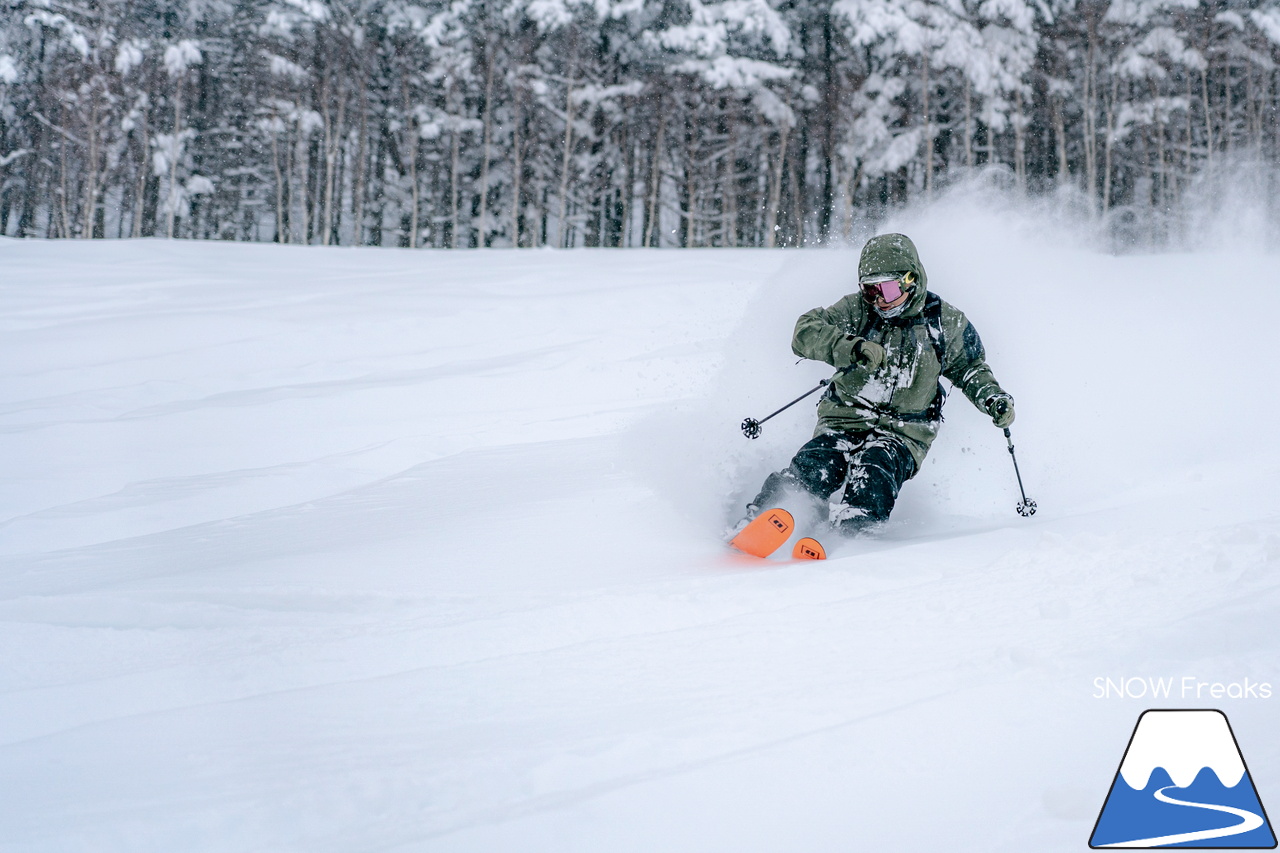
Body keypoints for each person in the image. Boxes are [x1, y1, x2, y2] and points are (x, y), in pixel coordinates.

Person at [741, 232, 1015, 537]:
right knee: (818, 462)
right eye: (870, 291)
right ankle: (773, 516)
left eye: (887, 289)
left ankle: (853, 535)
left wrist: (992, 397)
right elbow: (805, 332)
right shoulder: (857, 311)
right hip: (845, 418)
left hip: (905, 431)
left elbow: (970, 367)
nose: (880, 301)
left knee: (875, 469)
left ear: (911, 280)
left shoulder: (943, 323)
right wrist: (850, 347)